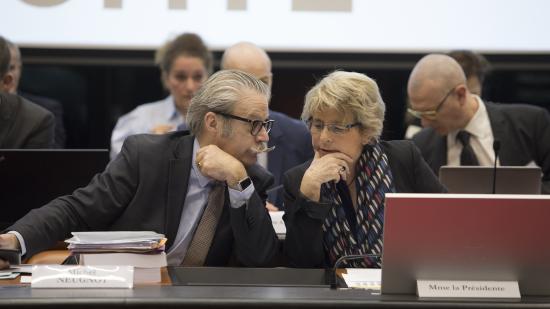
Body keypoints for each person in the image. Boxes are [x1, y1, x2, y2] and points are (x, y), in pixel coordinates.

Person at [0, 70, 279, 269]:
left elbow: (260, 259)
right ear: (213, 122)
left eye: (265, 125)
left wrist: (238, 181)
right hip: (117, 291)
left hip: (192, 300)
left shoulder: (251, 181)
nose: (263, 137)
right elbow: (77, 209)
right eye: (254, 123)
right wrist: (15, 240)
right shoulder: (147, 157)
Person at [283, 71, 445, 268]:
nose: (323, 137)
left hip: (400, 285)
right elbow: (300, 264)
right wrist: (309, 194)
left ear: (367, 131)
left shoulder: (402, 158)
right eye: (317, 125)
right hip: (333, 295)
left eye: (337, 128)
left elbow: (446, 221)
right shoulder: (298, 179)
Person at [408, 54, 550, 193]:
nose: (424, 123)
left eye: (431, 113)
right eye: (419, 114)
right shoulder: (421, 146)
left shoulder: (531, 124)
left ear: (461, 95)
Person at [221, 42, 314, 210]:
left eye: (263, 82)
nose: (259, 92)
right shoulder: (200, 133)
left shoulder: (300, 135)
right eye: (247, 82)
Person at [110, 33, 212, 159]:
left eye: (197, 77)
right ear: (166, 78)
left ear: (208, 77)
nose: (190, 86)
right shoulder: (138, 121)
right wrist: (147, 148)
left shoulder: (222, 121)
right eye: (180, 77)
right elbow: (117, 173)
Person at [404, 50, 491, 139]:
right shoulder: (420, 138)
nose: (467, 102)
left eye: (473, 94)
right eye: (429, 113)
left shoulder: (501, 123)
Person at [5, 39, 66, 148]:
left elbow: (54, 158)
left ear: (20, 68)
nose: (8, 75)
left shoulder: (45, 112)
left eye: (11, 67)